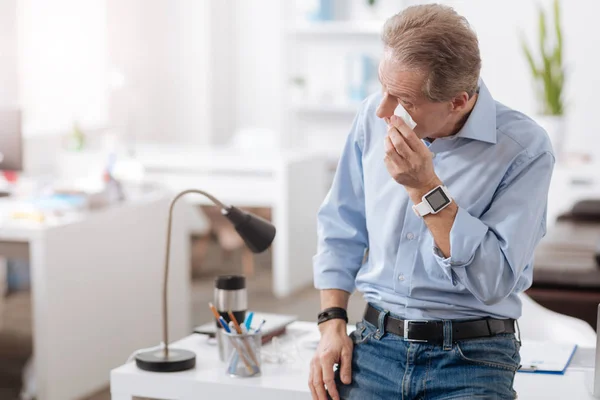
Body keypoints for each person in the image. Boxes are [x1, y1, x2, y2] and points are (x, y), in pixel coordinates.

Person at [309, 4, 554, 400]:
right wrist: (331, 322)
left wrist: (425, 188)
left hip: (472, 358)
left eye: (402, 99)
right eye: (383, 88)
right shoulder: (370, 119)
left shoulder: (524, 150)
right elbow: (341, 227)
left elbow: (494, 282)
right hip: (374, 345)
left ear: (458, 101)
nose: (382, 110)